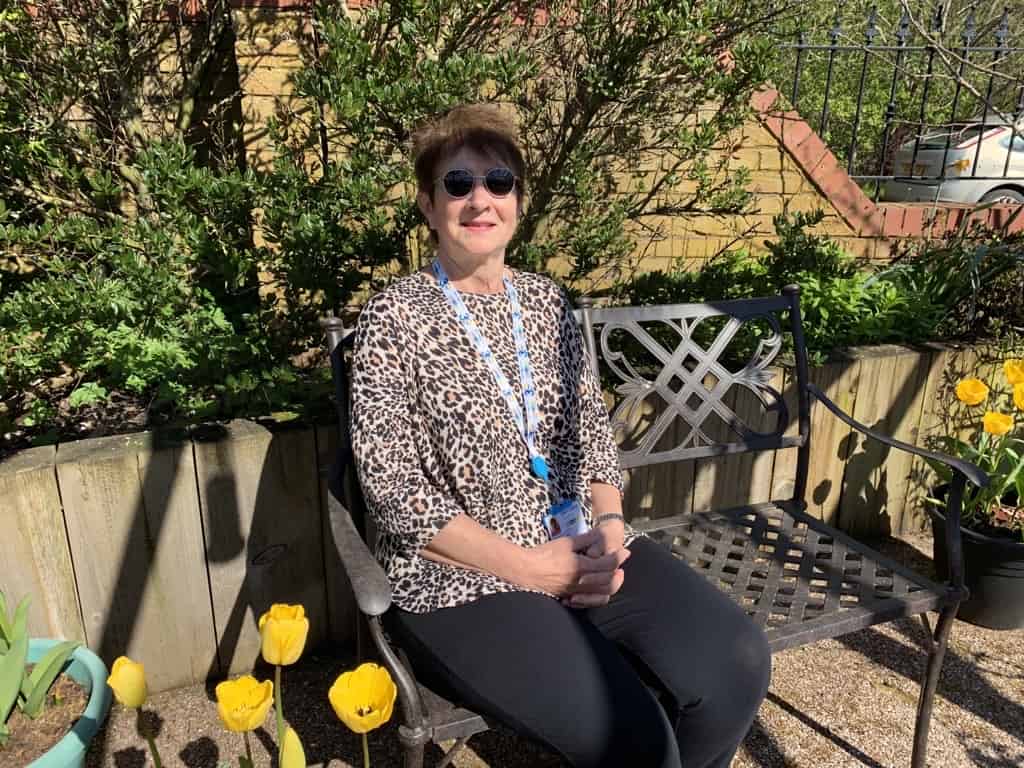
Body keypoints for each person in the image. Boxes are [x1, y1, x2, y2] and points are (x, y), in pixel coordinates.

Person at [349, 103, 771, 768]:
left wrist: (607, 524)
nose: (480, 199)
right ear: (429, 207)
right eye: (458, 184)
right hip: (460, 579)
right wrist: (530, 570)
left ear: (519, 201)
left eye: (499, 182)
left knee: (736, 664)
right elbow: (394, 493)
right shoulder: (393, 318)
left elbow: (593, 435)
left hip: (574, 541)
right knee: (634, 740)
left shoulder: (547, 304)